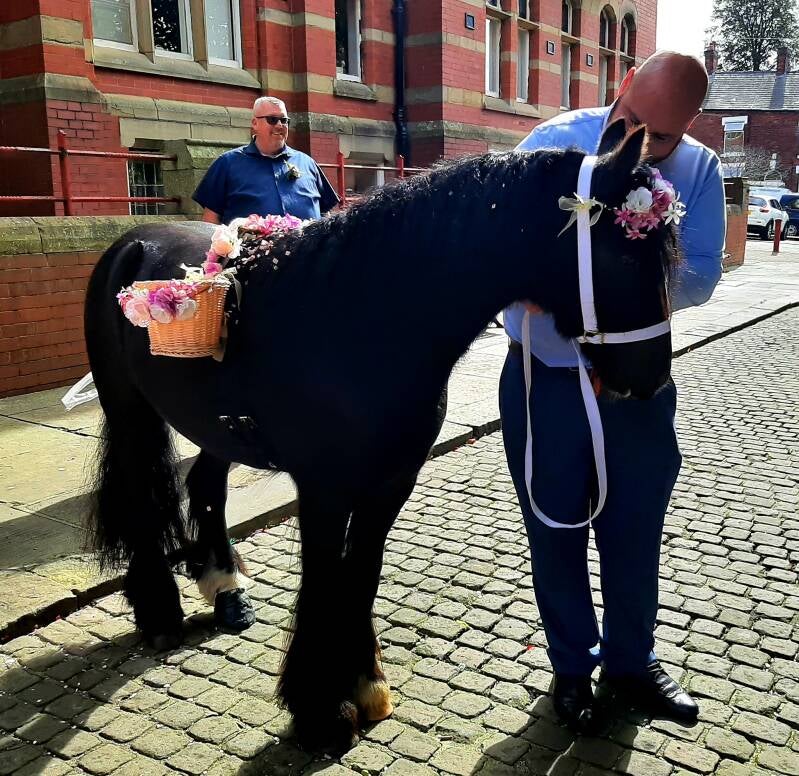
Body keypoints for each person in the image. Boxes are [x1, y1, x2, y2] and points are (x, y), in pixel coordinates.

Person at [500, 52, 726, 730]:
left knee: (635, 527)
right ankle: (571, 669)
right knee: (554, 528)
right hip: (546, 379)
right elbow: (495, 252)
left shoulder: (700, 170)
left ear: (690, 126)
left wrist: (606, 283)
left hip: (635, 386)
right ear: (622, 85)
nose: (639, 143)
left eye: (662, 137)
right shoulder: (550, 143)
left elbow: (702, 274)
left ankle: (632, 663)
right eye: (629, 122)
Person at [193, 97, 339, 225]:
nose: (280, 125)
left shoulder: (307, 163)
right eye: (272, 120)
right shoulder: (227, 164)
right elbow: (210, 221)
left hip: (307, 247)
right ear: (255, 123)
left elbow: (326, 214)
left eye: (284, 120)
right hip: (249, 248)